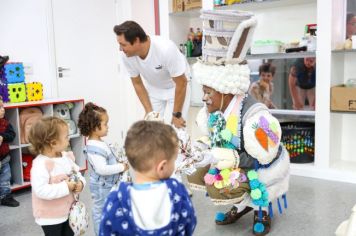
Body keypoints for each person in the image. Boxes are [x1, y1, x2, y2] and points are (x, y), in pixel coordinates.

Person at [99, 121, 197, 236]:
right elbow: (189, 225)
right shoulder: (178, 193)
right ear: (162, 167)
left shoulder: (116, 201)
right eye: (174, 160)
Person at [113, 21, 191, 128]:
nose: (120, 49)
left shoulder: (165, 49)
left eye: (123, 45)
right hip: (154, 88)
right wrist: (149, 112)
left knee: (174, 131)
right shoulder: (126, 55)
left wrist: (177, 115)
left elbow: (182, 83)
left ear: (136, 40)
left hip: (176, 87)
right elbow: (137, 83)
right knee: (152, 129)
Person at [77, 102, 129, 236]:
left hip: (107, 185)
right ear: (95, 127)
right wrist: (120, 167)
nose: (108, 127)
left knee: (110, 209)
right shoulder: (94, 147)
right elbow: (102, 169)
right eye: (105, 124)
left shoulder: (99, 142)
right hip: (102, 187)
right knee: (101, 212)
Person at [29, 117, 86, 236]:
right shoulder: (41, 164)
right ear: (53, 143)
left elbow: (77, 174)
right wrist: (66, 187)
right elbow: (41, 190)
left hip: (69, 211)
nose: (68, 138)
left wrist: (81, 183)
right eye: (66, 137)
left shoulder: (66, 157)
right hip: (50, 217)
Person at [0, 97, 19, 207]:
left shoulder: (5, 123)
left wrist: (3, 137)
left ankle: (5, 197)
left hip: (4, 158)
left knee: (5, 179)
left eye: (2, 106)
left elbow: (12, 135)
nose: (3, 110)